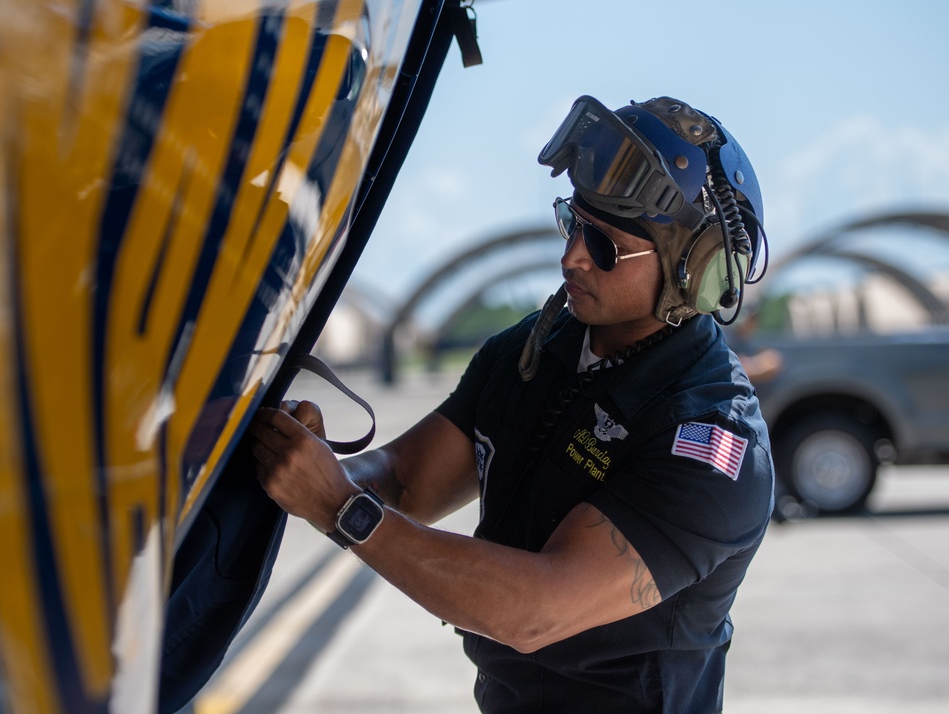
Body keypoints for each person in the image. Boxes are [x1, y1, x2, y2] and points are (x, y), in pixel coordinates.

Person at [248, 94, 775, 713]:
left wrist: (338, 505)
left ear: (697, 270)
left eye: (603, 246)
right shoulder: (532, 349)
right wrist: (313, 464)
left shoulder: (712, 442)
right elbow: (405, 481)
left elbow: (535, 611)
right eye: (571, 222)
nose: (571, 255)